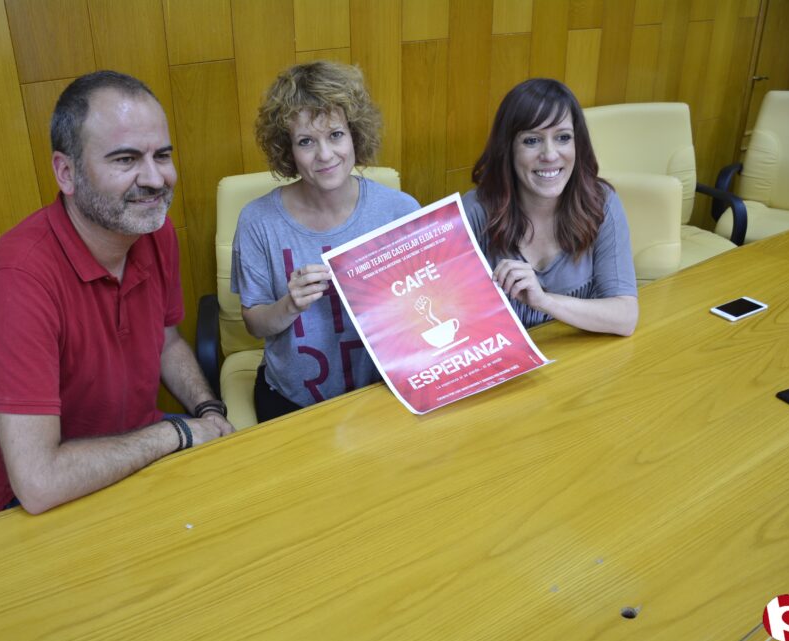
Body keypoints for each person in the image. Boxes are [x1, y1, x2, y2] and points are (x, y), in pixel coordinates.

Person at [0, 71, 234, 515]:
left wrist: (207, 410)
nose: (154, 180)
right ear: (66, 173)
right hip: (43, 501)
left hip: (139, 452)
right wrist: (178, 434)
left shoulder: (154, 230)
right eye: (126, 160)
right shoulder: (17, 279)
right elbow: (38, 482)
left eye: (162, 155)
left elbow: (166, 341)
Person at [231, 61, 420, 422]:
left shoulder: (399, 210)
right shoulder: (258, 221)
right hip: (290, 401)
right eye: (306, 141)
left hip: (383, 393)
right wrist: (290, 304)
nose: (325, 155)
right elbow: (255, 323)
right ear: (288, 150)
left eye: (335, 135)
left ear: (354, 135)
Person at [463, 78, 638, 336]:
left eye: (563, 138)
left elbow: (625, 317)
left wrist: (545, 301)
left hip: (581, 359)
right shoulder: (473, 212)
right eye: (532, 141)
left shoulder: (601, 203)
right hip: (508, 370)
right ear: (508, 149)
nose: (550, 154)